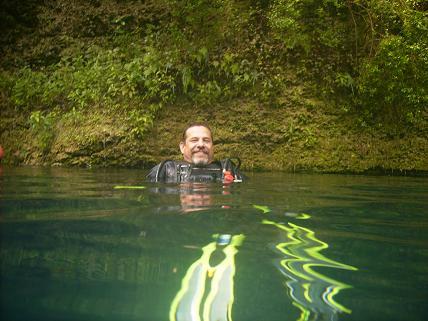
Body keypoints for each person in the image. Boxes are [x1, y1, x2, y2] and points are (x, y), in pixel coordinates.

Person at [146, 123, 244, 183]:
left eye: (206, 140)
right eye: (194, 140)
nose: (201, 144)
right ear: (182, 147)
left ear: (212, 147)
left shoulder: (230, 169)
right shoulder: (165, 170)